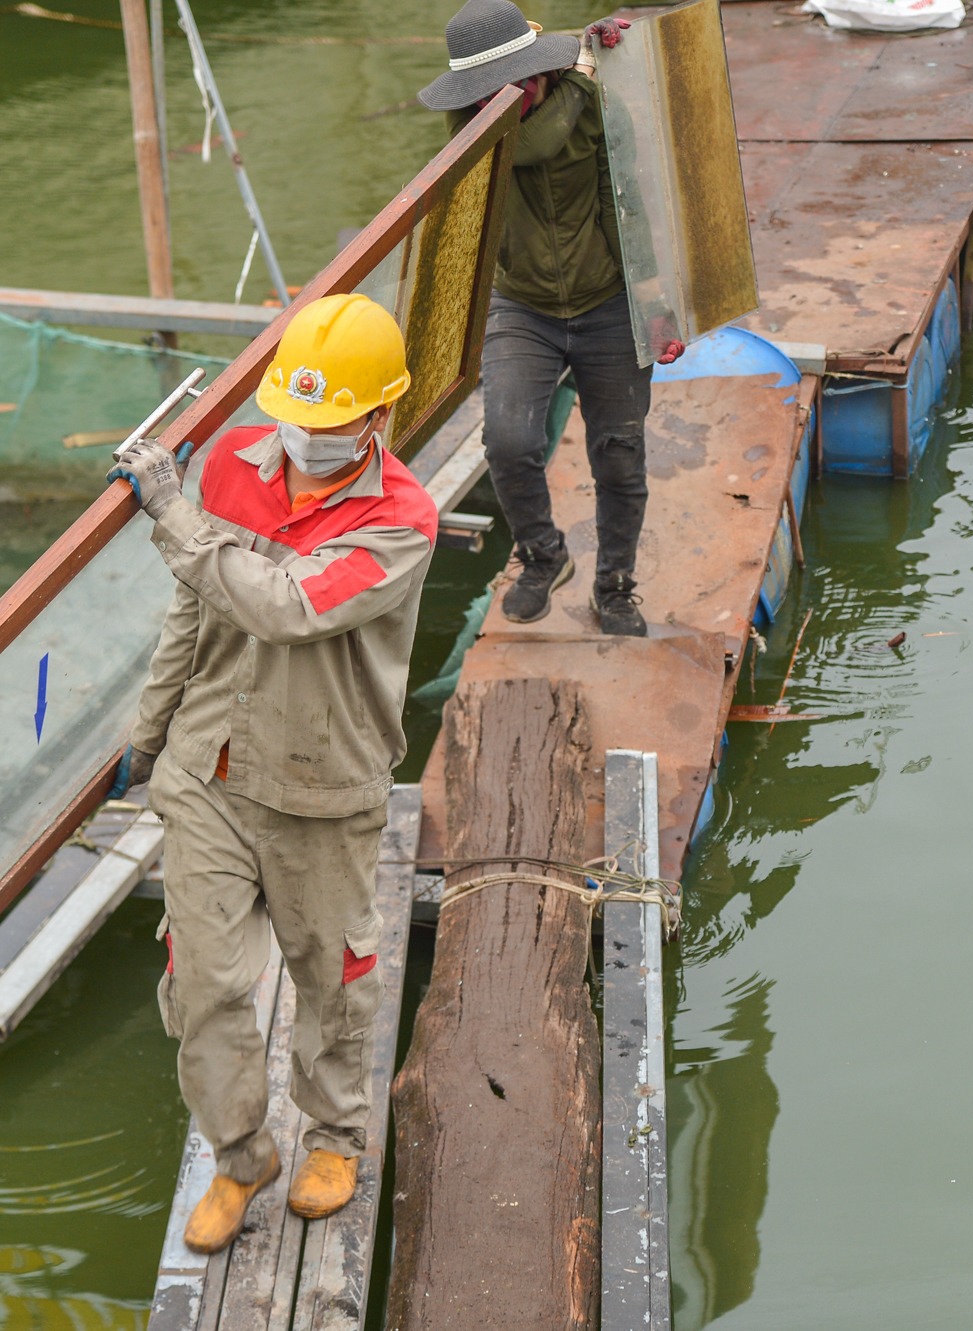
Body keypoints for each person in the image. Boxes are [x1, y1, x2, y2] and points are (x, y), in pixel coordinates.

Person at [104, 293, 438, 1253]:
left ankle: (335, 1135)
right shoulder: (230, 468)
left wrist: (170, 514)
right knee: (203, 982)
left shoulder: (399, 523)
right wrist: (148, 728)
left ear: (379, 418)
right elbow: (194, 612)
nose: (304, 438)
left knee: (333, 979)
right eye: (293, 416)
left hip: (322, 786)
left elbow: (285, 605)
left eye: (330, 425)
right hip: (208, 768)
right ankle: (241, 1152)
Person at [419, 0, 679, 636]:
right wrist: (584, 64)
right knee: (507, 440)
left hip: (607, 300)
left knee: (619, 452)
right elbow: (521, 157)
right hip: (523, 305)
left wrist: (656, 304)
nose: (491, 104)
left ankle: (615, 585)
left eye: (505, 88)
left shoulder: (589, 101)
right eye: (479, 93)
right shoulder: (471, 124)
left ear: (536, 71)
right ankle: (543, 555)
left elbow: (631, 199)